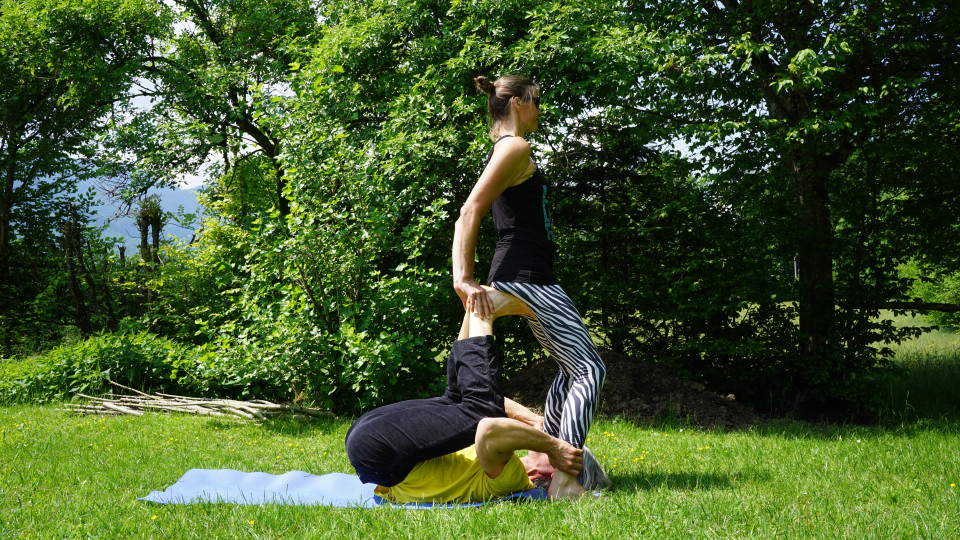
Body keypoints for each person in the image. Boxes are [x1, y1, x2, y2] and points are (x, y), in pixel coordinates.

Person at [451, 75, 607, 495]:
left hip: (527, 275)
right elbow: (469, 211)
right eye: (536, 100)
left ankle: (546, 460)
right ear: (518, 103)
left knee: (571, 369)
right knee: (590, 369)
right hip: (528, 279)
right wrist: (462, 278)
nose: (540, 109)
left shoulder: (507, 149)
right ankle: (568, 478)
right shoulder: (515, 146)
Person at [344, 288, 590, 502]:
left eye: (559, 450)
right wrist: (536, 422)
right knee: (459, 399)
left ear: (549, 471)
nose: (556, 437)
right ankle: (475, 309)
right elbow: (482, 406)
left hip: (381, 454)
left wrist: (554, 446)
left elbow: (490, 426)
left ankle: (486, 313)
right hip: (371, 443)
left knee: (482, 409)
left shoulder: (513, 479)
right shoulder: (503, 459)